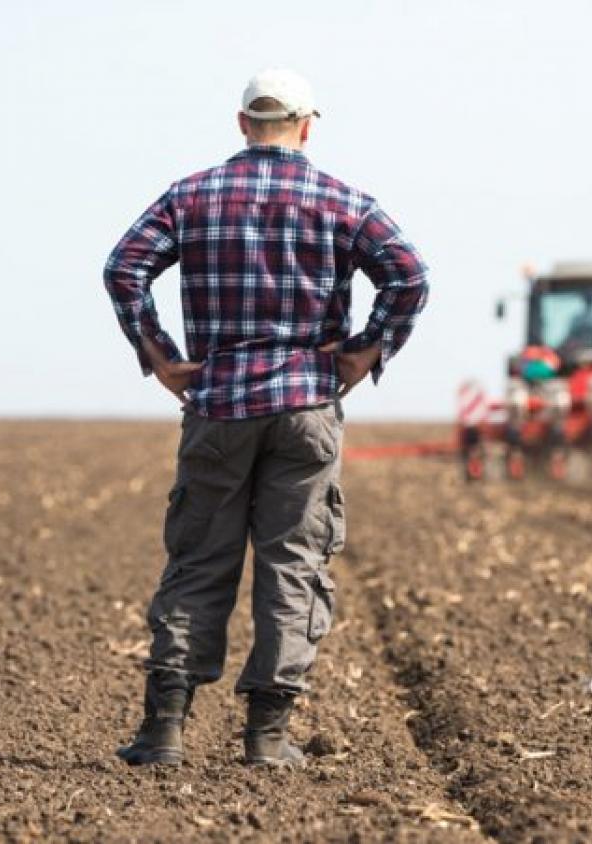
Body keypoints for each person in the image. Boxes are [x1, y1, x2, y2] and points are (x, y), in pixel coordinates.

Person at [102, 68, 428, 767]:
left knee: (199, 562)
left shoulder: (191, 196)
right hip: (306, 407)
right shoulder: (344, 201)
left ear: (243, 123)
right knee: (294, 565)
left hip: (218, 405)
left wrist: (159, 355)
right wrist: (366, 350)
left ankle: (164, 732)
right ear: (308, 126)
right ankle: (268, 736)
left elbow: (123, 267)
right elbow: (410, 276)